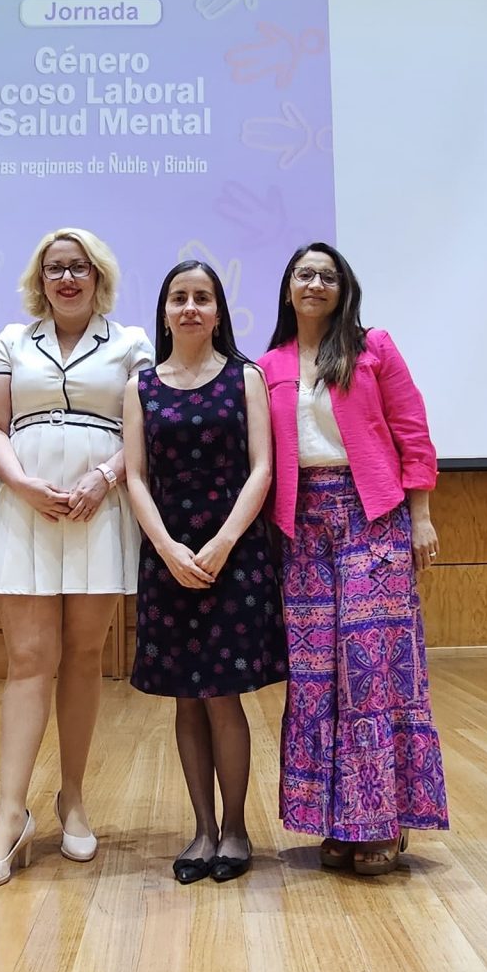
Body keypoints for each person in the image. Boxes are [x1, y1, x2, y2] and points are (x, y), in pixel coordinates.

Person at [0, 227, 154, 892]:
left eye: (78, 267)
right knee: (29, 660)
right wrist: (19, 483)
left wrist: (104, 477)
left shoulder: (132, 342)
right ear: (39, 279)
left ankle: (71, 797)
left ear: (98, 275)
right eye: (54, 269)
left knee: (81, 656)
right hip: (26, 508)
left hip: (99, 508)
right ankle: (8, 818)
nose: (66, 278)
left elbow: (143, 429)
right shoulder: (11, 342)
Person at [256, 242, 449, 875]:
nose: (314, 284)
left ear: (344, 289)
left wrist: (420, 516)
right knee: (316, 675)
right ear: (288, 288)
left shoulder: (374, 349)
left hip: (373, 518)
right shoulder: (269, 364)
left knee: (370, 668)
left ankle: (382, 824)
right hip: (301, 528)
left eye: (327, 276)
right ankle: (335, 823)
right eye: (304, 275)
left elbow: (412, 432)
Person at [121, 261, 285, 883]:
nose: (190, 307)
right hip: (168, 556)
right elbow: (135, 476)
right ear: (164, 312)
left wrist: (221, 543)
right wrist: (165, 545)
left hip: (232, 554)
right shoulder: (140, 386)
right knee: (186, 700)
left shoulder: (246, 378)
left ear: (218, 312)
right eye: (178, 298)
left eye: (202, 298)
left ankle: (237, 830)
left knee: (223, 699)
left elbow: (261, 468)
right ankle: (201, 831)